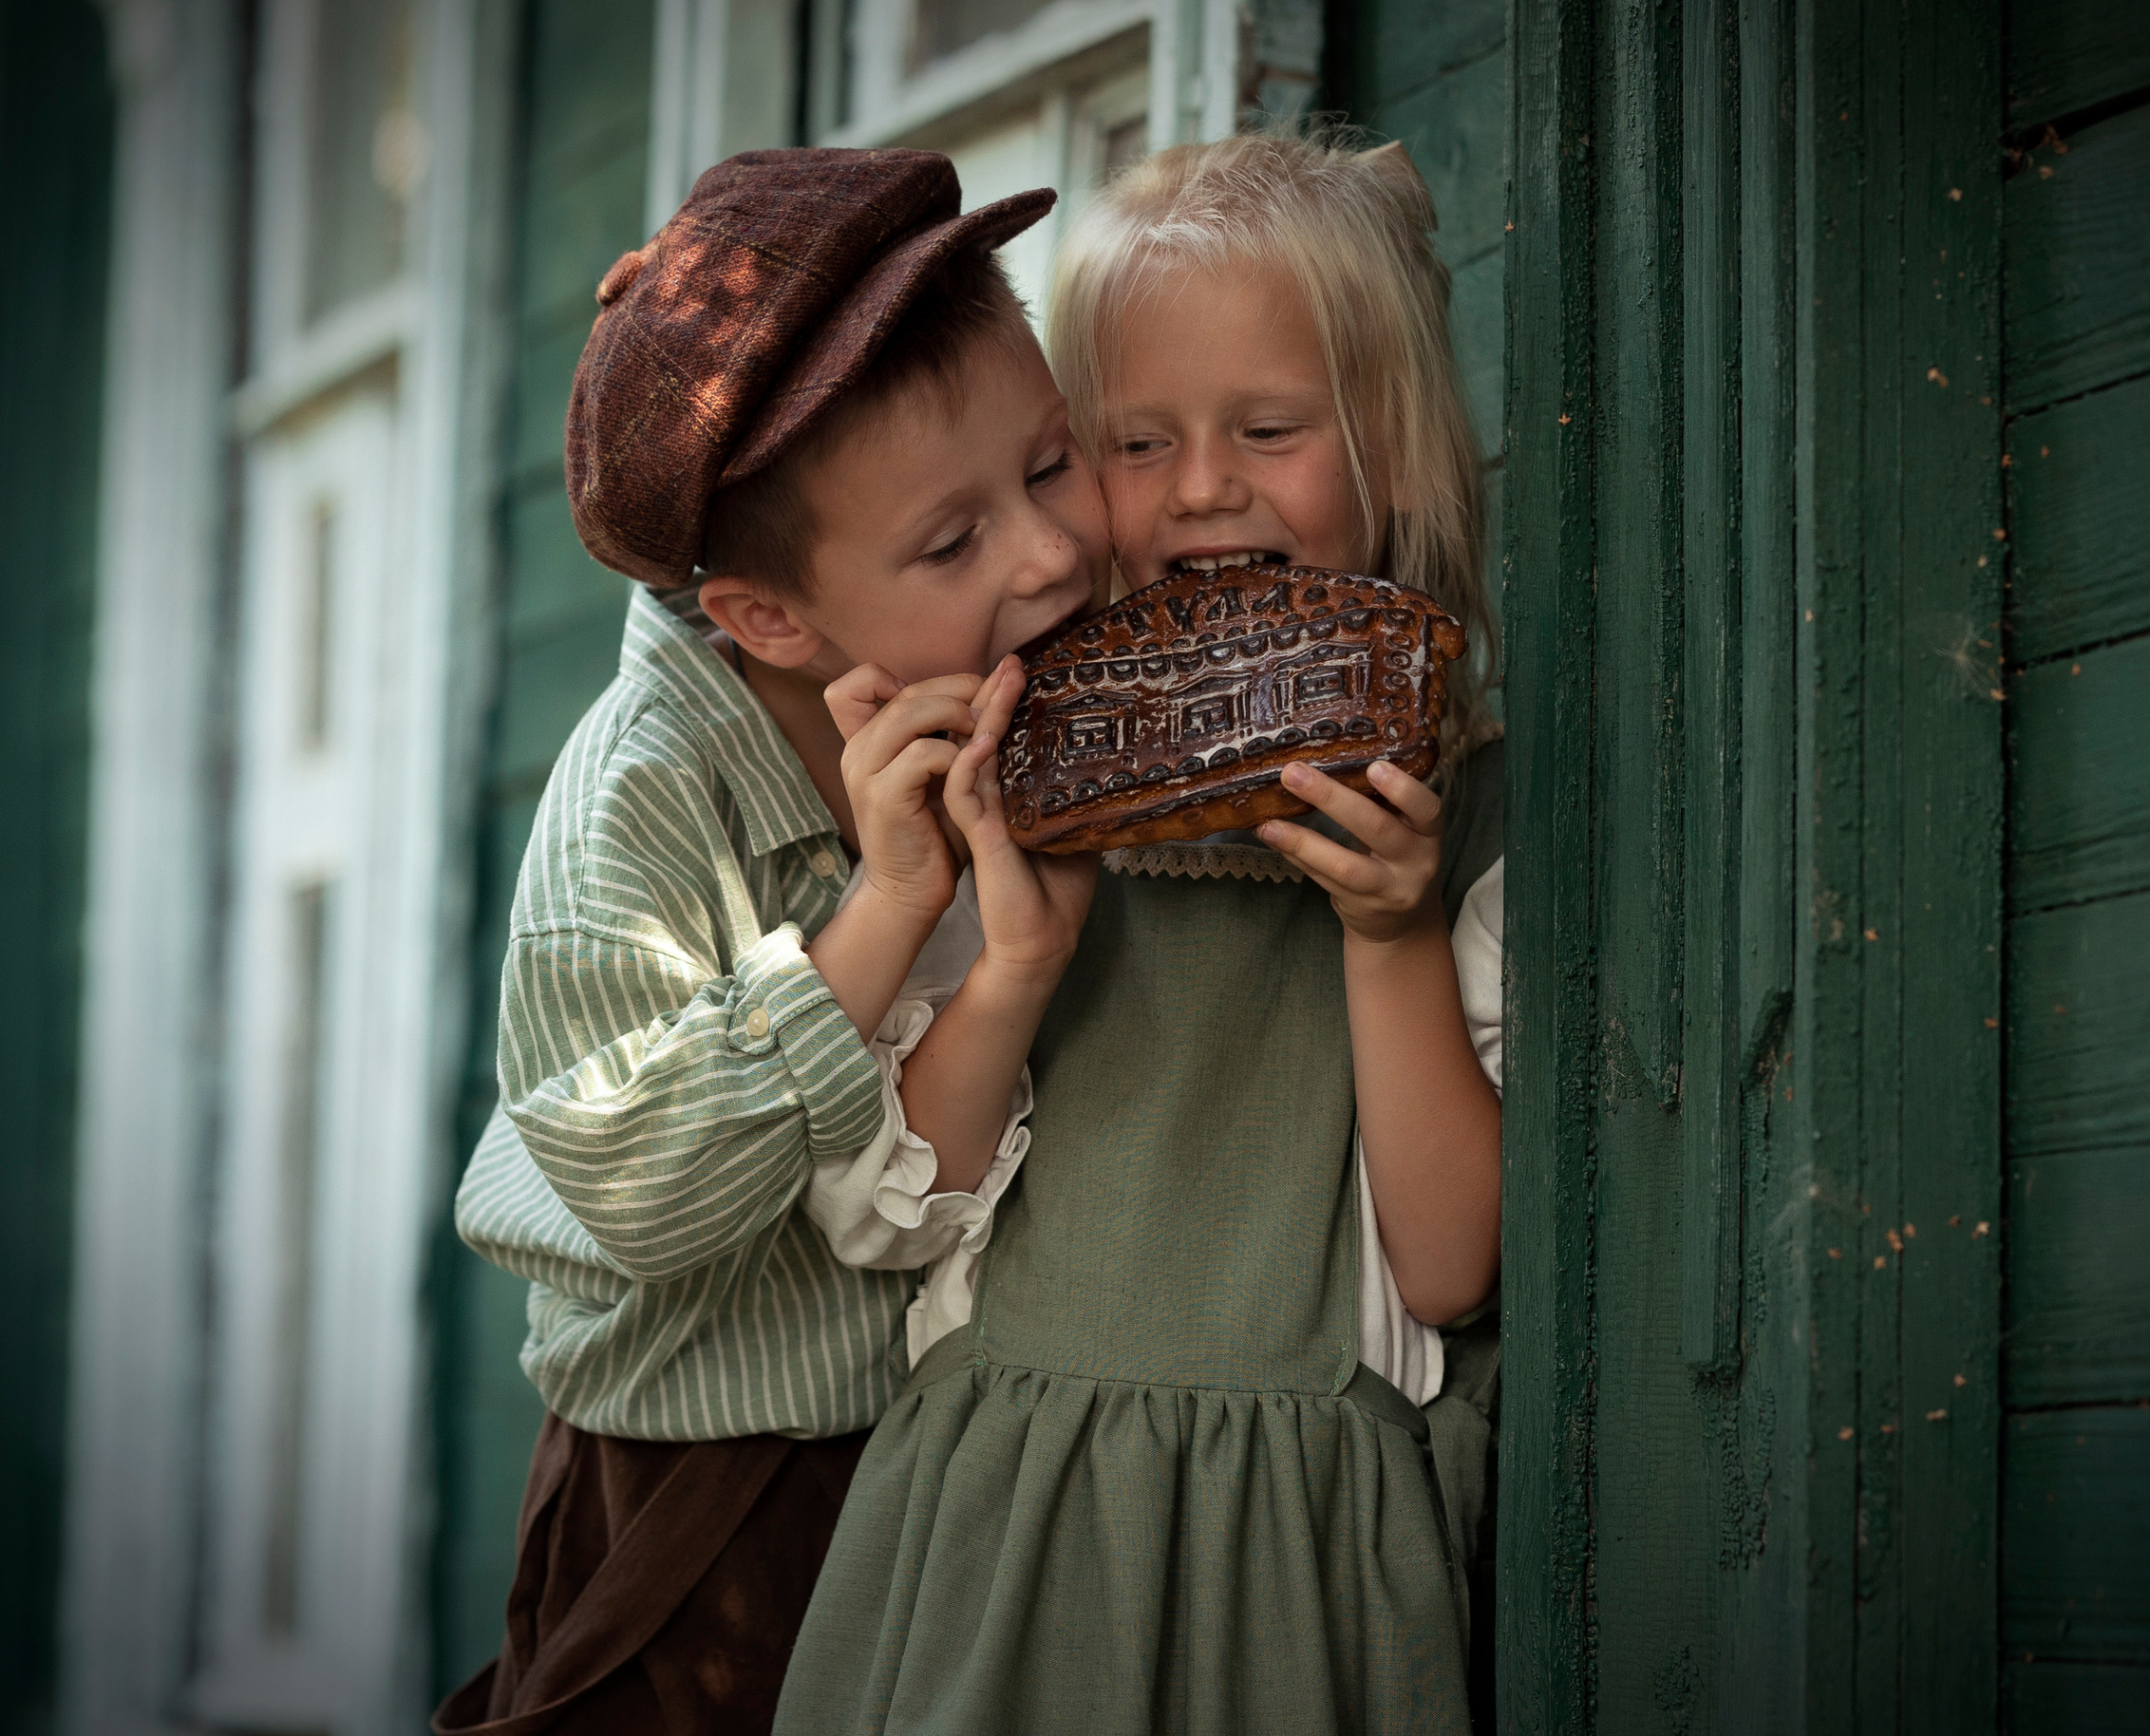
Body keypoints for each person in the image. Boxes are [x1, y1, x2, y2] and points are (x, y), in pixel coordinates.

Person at [776, 130, 1508, 1735]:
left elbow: (1451, 1273)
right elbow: (882, 1218)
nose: (1200, 487)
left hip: (1296, 1550)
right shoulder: (1005, 783)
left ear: (1390, 440)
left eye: (1269, 430)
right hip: (1001, 1531)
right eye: (1128, 443)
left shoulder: (1463, 829)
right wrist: (1018, 958)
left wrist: (1387, 935)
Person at [437, 147, 1109, 1734]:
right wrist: (886, 908)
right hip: (719, 1500)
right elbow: (641, 1182)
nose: (1048, 555)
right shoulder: (639, 802)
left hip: (971, 1452)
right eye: (952, 546)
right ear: (769, 622)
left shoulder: (1043, 675)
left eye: (1057, 463)